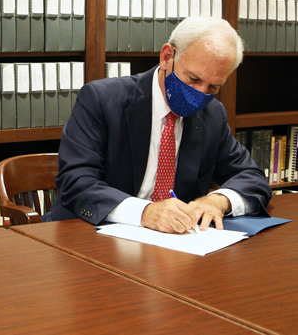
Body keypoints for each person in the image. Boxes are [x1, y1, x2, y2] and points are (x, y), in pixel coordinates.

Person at [48, 16, 271, 233]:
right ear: (167, 57)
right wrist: (146, 212)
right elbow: (76, 182)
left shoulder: (211, 114)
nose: (200, 94)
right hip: (88, 235)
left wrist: (218, 201)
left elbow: (252, 178)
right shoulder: (101, 99)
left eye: (213, 88)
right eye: (193, 79)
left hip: (172, 245)